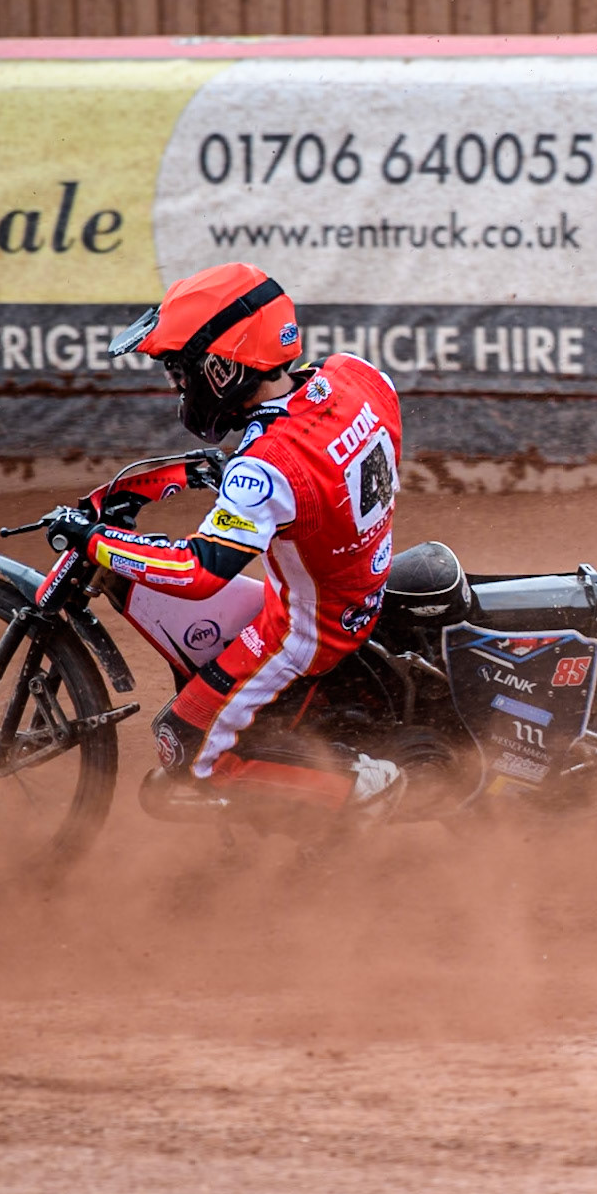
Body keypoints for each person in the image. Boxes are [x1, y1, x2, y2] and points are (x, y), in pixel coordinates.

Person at [47, 261, 406, 816]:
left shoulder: (265, 466)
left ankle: (362, 790)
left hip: (304, 631)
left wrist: (93, 540)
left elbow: (198, 572)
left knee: (181, 746)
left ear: (220, 368)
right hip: (360, 582)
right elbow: (324, 458)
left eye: (181, 371)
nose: (177, 384)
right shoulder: (356, 376)